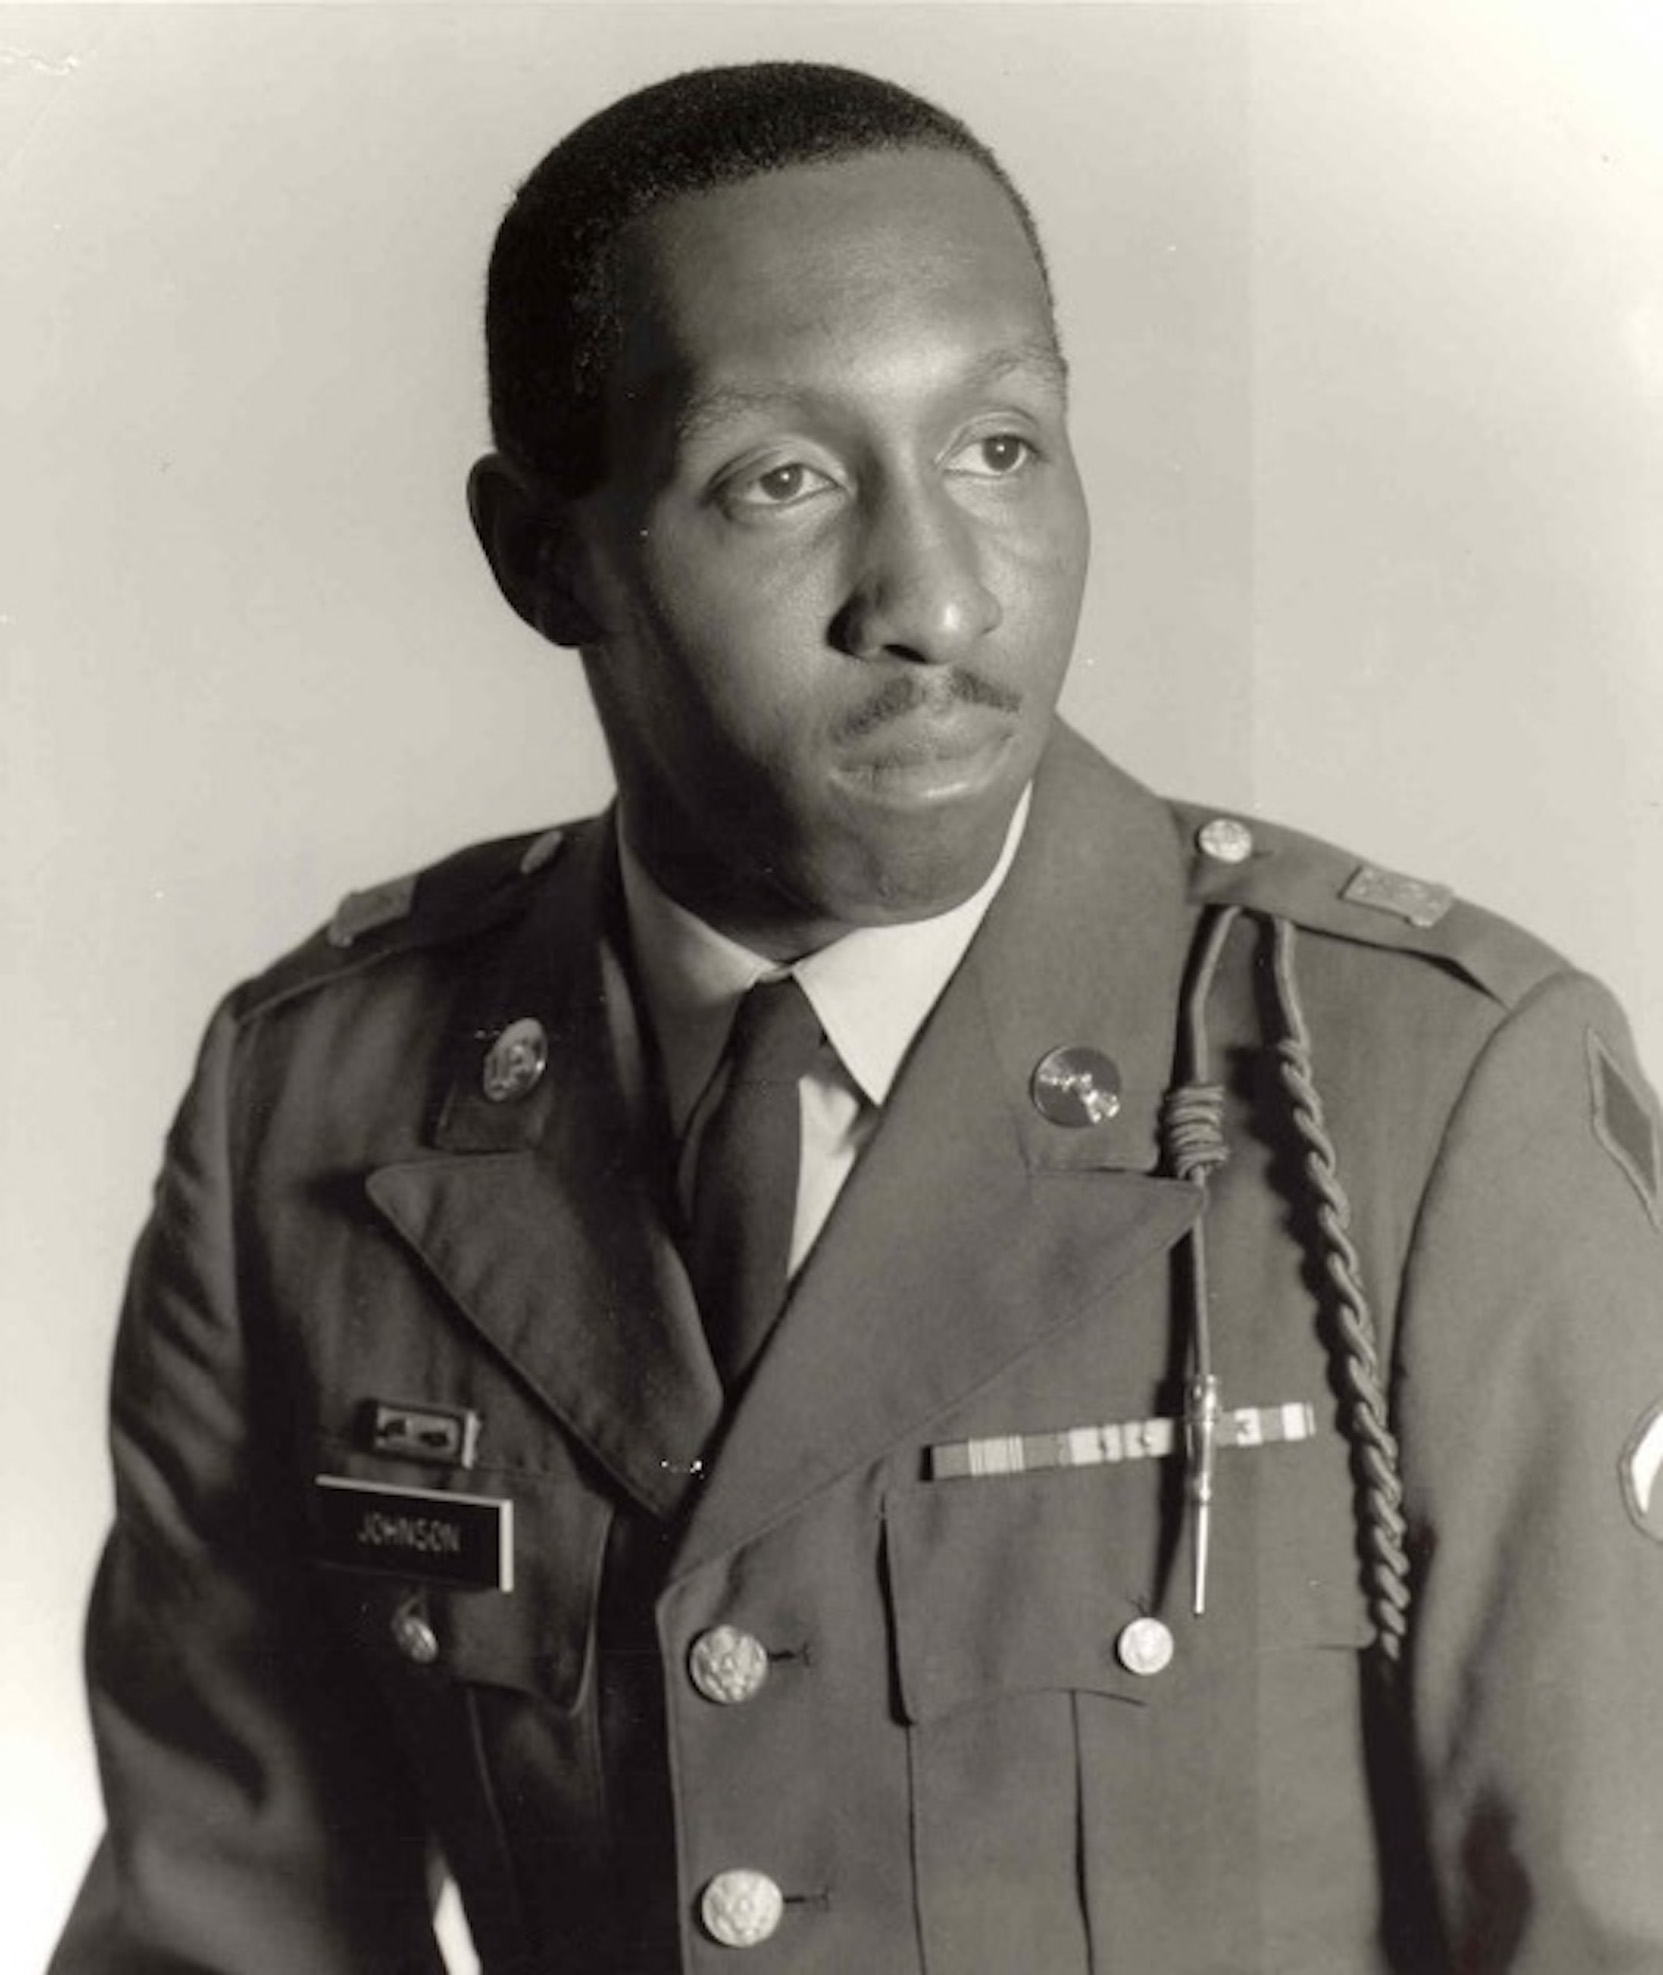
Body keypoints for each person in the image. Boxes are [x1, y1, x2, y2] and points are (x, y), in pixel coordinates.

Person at [52, 59, 1663, 1975]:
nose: (939, 599)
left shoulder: (1426, 1093)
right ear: (540, 555)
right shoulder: (309, 1106)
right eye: (782, 481)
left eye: (1000, 448)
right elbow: (221, 1930)